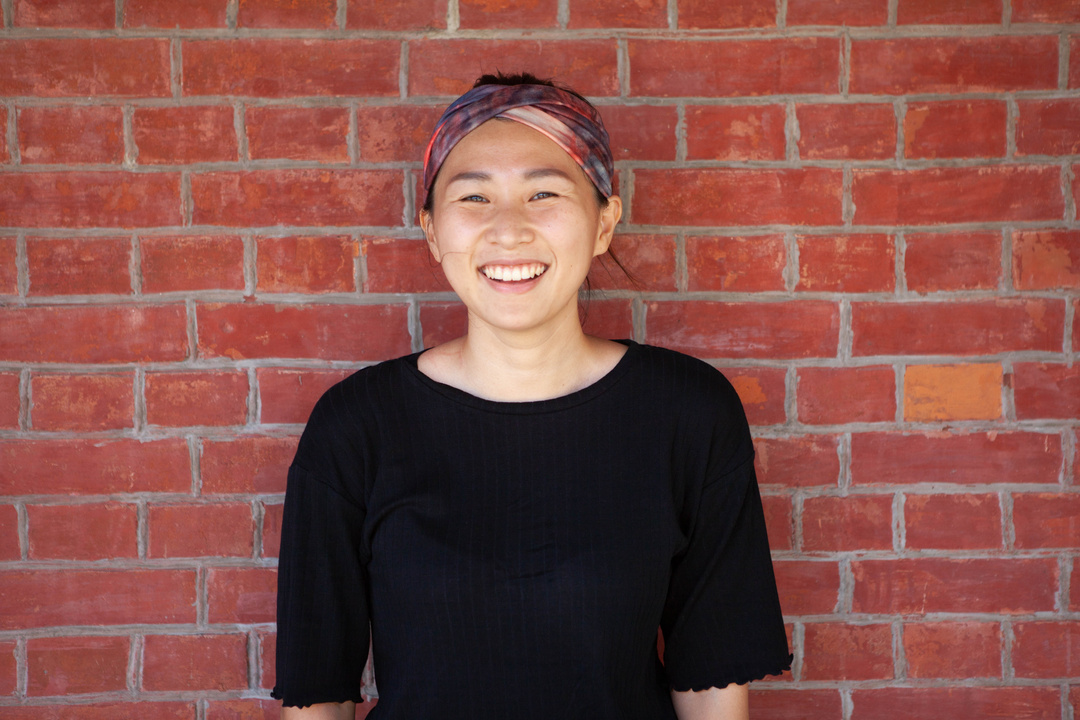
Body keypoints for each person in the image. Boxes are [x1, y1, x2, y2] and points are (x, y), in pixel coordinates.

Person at [273, 73, 791, 720]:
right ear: (432, 232)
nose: (508, 230)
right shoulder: (356, 429)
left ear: (605, 222)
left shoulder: (687, 414)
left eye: (543, 192)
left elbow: (712, 682)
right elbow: (317, 694)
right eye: (475, 198)